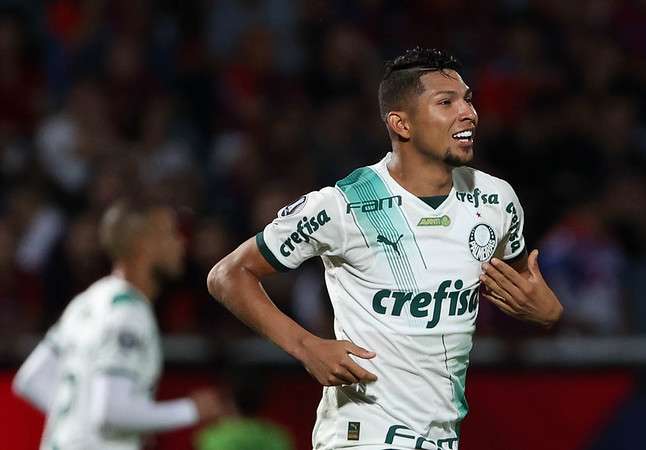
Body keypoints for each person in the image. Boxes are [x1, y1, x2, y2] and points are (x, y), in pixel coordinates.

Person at [207, 47, 563, 450]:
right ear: (402, 123)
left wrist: (549, 314)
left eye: (468, 99)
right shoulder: (345, 205)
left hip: (442, 437)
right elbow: (228, 275)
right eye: (446, 102)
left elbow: (520, 285)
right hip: (362, 436)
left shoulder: (496, 200)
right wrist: (306, 346)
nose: (469, 112)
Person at [13, 200, 228, 450]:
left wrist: (80, 424)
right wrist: (191, 409)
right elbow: (110, 412)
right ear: (143, 244)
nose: (180, 242)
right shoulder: (129, 311)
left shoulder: (88, 301)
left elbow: (32, 378)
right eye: (170, 234)